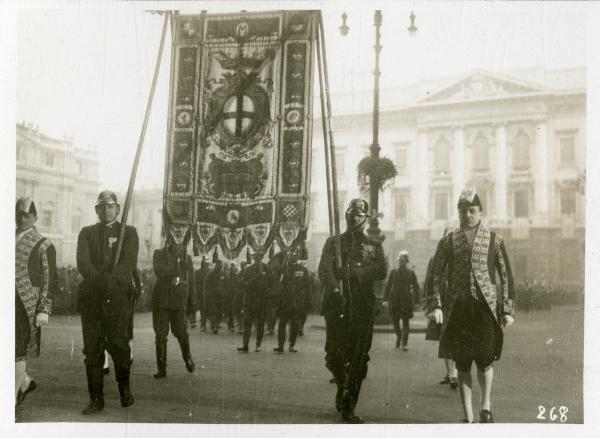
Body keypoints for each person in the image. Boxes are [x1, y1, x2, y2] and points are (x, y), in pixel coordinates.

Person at [425, 188, 515, 423]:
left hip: (485, 310)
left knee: (485, 360)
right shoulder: (447, 240)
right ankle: (468, 416)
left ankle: (485, 405)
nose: (467, 215)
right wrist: (436, 305)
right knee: (462, 362)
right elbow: (435, 274)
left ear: (480, 212)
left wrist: (506, 309)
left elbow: (505, 274)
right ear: (458, 212)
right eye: (463, 211)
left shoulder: (494, 239)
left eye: (472, 210)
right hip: (458, 310)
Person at [318, 198, 387, 423]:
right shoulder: (333, 242)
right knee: (334, 355)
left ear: (365, 219)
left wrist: (352, 273)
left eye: (358, 215)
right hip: (337, 303)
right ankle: (342, 386)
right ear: (346, 216)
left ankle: (349, 405)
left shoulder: (374, 245)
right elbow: (324, 269)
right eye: (351, 214)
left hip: (362, 307)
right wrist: (334, 287)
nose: (354, 218)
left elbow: (380, 269)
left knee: (358, 358)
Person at [76, 190, 138, 414]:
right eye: (101, 207)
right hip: (92, 299)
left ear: (118, 209)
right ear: (96, 210)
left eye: (110, 206)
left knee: (119, 347)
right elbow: (83, 263)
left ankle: (124, 390)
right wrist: (102, 281)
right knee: (92, 351)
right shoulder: (87, 233)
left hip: (117, 299)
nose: (106, 210)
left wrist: (112, 282)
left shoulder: (129, 233)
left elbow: (128, 263)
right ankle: (96, 399)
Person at [15, 197, 58, 406]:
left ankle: (11, 399)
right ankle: (23, 383)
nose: (22, 219)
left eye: (27, 215)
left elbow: (50, 278)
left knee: (17, 350)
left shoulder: (44, 244)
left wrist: (44, 309)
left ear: (35, 217)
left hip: (26, 304)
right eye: (19, 215)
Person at [151, 229, 196, 378]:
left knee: (181, 333)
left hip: (179, 302)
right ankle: (161, 368)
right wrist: (176, 267)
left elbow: (192, 282)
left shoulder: (187, 258)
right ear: (168, 240)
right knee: (160, 335)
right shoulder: (159, 254)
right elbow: (160, 271)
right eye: (173, 240)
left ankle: (187, 357)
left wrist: (192, 302)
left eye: (180, 241)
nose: (177, 243)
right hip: (162, 302)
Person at [423, 229, 458, 390]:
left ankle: (453, 373)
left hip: (458, 303)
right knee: (445, 338)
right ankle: (452, 374)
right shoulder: (435, 259)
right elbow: (429, 281)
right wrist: (431, 305)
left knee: (455, 339)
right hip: (441, 304)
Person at [274, 249, 310, 353]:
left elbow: (307, 286)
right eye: (290, 255)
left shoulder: (303, 269)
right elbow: (278, 284)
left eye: (295, 255)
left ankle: (292, 345)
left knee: (294, 324)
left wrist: (307, 301)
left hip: (297, 302)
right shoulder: (283, 269)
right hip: (285, 301)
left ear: (298, 256)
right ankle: (280, 345)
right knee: (282, 324)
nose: (293, 256)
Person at [382, 250, 419, 351]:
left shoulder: (409, 273)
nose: (401, 262)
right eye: (400, 260)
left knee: (405, 322)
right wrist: (385, 299)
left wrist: (416, 301)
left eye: (403, 260)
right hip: (397, 299)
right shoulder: (395, 272)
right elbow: (388, 286)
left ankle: (403, 342)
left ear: (406, 262)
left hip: (402, 300)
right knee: (396, 321)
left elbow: (416, 287)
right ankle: (399, 337)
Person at [238, 250, 272, 352]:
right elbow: (242, 283)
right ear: (253, 257)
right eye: (255, 256)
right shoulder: (248, 269)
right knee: (247, 323)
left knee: (260, 324)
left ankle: (258, 345)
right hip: (250, 300)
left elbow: (271, 283)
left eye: (259, 256)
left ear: (261, 256)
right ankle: (245, 345)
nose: (257, 258)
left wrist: (265, 287)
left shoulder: (266, 268)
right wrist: (250, 282)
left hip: (262, 300)